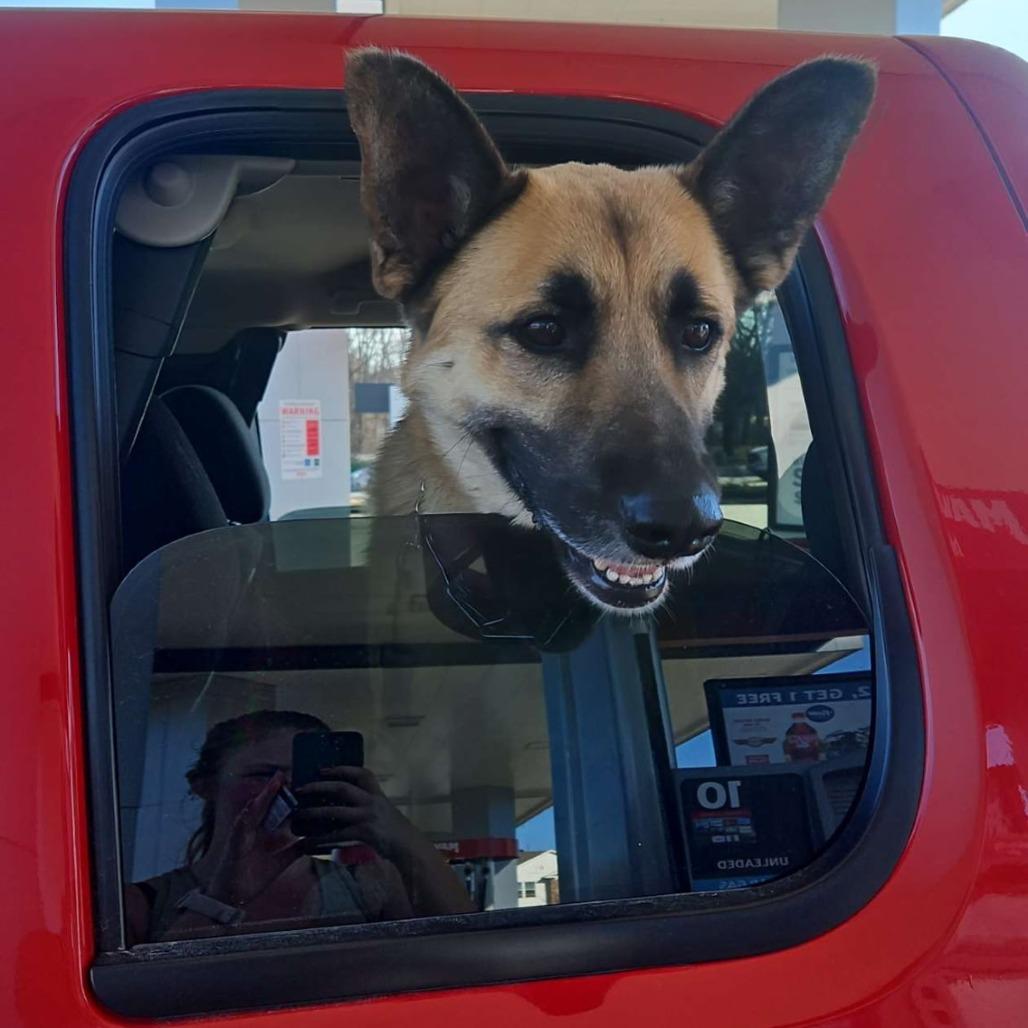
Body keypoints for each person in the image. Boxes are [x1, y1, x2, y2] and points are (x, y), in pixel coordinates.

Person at [124, 710, 473, 944]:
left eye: (306, 776)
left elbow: (464, 950)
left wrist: (401, 838)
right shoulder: (141, 905)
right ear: (205, 786)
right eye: (263, 775)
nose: (288, 790)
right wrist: (222, 899)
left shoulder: (373, 884)